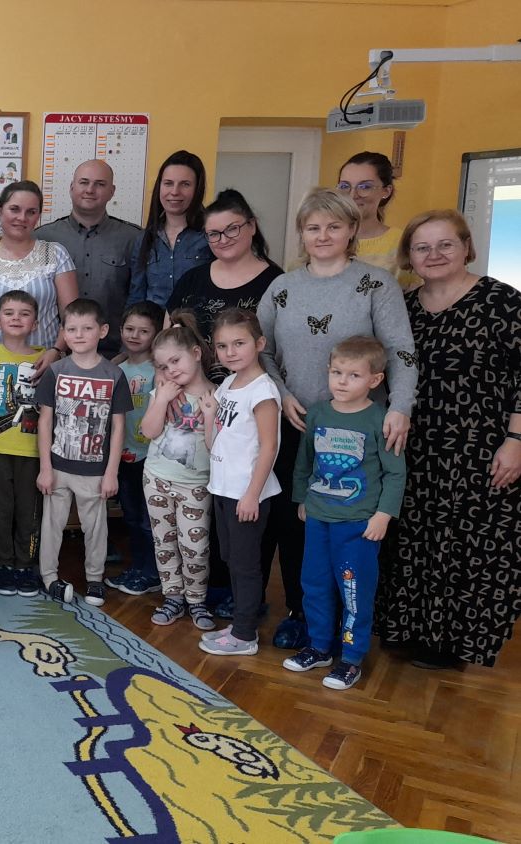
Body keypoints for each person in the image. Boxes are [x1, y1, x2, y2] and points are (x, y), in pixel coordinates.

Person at [256, 189, 415, 650]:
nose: (323, 235)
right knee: (297, 525)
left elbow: (401, 351)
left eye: (333, 226)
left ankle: (350, 629)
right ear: (301, 234)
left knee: (353, 535)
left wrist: (400, 407)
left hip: (358, 433)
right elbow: (260, 350)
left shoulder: (376, 284)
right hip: (296, 424)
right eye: (313, 227)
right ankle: (301, 614)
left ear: (351, 230)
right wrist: (282, 394)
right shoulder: (282, 287)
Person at [379, 210, 521, 669]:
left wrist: (516, 440)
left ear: (466, 247)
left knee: (468, 547)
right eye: (422, 247)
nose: (434, 254)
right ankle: (406, 629)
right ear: (409, 255)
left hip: (481, 449)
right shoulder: (402, 308)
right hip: (413, 447)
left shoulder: (502, 302)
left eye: (445, 244)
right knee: (412, 540)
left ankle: (452, 644)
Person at [284, 336, 406, 691]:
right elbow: (305, 460)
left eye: (354, 375)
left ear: (375, 380)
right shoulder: (318, 413)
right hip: (318, 519)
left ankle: (351, 658)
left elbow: (395, 473)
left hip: (358, 525)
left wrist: (383, 515)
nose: (342, 381)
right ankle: (319, 646)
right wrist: (302, 498)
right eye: (336, 372)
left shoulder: (380, 419)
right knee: (315, 584)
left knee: (354, 591)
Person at [36, 298, 134, 607]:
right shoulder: (56, 371)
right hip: (58, 465)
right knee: (52, 525)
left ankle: (94, 579)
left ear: (102, 331)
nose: (78, 335)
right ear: (63, 332)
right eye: (72, 329)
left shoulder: (113, 375)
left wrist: (111, 472)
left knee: (95, 527)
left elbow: (118, 427)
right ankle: (49, 576)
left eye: (87, 328)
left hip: (94, 469)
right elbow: (45, 421)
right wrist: (45, 467)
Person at [200, 309, 281, 657]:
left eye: (239, 343)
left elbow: (269, 447)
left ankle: (245, 635)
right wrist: (208, 416)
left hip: (247, 494)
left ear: (259, 344)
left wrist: (252, 495)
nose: (230, 352)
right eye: (222, 346)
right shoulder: (228, 384)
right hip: (223, 488)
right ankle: (239, 624)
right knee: (231, 559)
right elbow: (213, 442)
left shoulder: (262, 391)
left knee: (246, 565)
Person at [138, 311, 217, 631]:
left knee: (195, 547)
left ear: (196, 353)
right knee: (164, 542)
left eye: (175, 361)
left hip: (195, 484)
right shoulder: (163, 391)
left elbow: (215, 448)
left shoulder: (216, 395)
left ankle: (197, 600)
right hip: (156, 479)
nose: (171, 370)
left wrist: (210, 416)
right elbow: (148, 431)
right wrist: (161, 400)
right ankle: (172, 597)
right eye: (163, 365)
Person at [0, 181, 80, 385]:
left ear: (38, 216)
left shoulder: (55, 255)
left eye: (31, 212)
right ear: (0, 210)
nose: (22, 218)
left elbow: (72, 317)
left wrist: (56, 351)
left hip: (40, 370)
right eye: (14, 209)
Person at [166, 189, 283, 384]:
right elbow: (166, 343)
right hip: (189, 395)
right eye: (213, 234)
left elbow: (279, 353)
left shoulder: (277, 283)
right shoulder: (191, 279)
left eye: (232, 229)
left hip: (251, 396)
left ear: (252, 226)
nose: (223, 239)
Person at [36, 160, 143, 357]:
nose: (90, 190)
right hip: (55, 353)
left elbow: (139, 300)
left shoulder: (133, 238)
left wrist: (127, 353)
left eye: (100, 184)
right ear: (71, 187)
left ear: (112, 191)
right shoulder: (43, 238)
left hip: (114, 353)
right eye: (84, 182)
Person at [0, 291, 46, 595]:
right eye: (9, 313)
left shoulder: (44, 360)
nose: (16, 318)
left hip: (32, 450)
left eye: (24, 313)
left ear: (35, 323)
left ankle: (25, 564)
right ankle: (4, 562)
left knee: (30, 510)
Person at [107, 300, 164, 596]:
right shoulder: (117, 368)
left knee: (147, 519)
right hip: (124, 453)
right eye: (129, 329)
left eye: (143, 331)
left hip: (151, 456)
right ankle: (138, 567)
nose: (135, 335)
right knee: (130, 516)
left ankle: (153, 573)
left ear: (156, 335)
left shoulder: (159, 371)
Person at [127, 151, 212, 308]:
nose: (174, 192)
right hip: (154, 323)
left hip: (196, 323)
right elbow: (137, 296)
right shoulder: (145, 238)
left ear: (197, 189)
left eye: (185, 184)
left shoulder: (211, 235)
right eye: (168, 183)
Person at [335, 152, 418, 290]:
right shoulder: (325, 238)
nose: (353, 195)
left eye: (365, 187)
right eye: (344, 186)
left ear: (386, 191)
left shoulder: (402, 243)